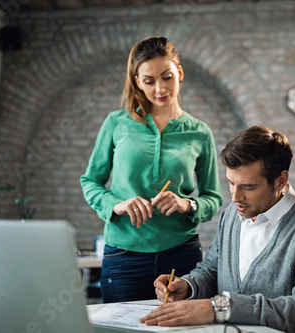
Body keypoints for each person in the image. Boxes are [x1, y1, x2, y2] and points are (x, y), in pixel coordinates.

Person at [140, 125, 295, 333]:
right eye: (231, 183)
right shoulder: (231, 214)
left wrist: (220, 308)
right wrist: (188, 286)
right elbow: (212, 270)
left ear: (280, 181)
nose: (235, 197)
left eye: (248, 187)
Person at [80, 36, 223, 303]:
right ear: (137, 82)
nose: (160, 88)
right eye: (149, 81)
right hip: (123, 257)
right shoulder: (116, 123)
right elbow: (90, 181)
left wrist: (186, 204)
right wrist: (117, 205)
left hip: (181, 255)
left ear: (179, 72)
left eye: (167, 77)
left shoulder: (200, 132)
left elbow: (213, 198)